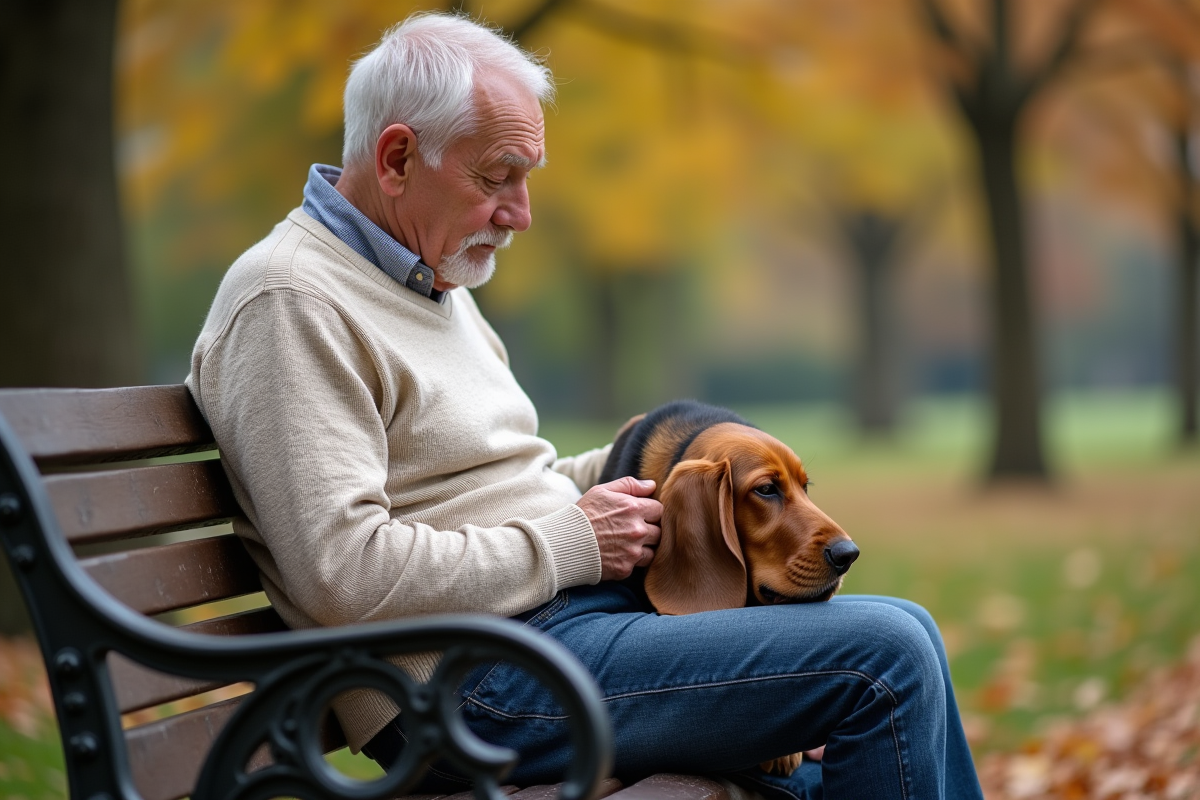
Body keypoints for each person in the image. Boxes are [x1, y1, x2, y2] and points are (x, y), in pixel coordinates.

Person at [186, 12, 984, 800]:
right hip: (469, 684)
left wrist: (653, 457)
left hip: (558, 635)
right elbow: (342, 574)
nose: (521, 212)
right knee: (881, 659)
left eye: (527, 178)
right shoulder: (290, 300)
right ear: (398, 157)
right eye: (497, 176)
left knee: (905, 633)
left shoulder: (431, 281)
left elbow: (491, 478)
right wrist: (570, 542)